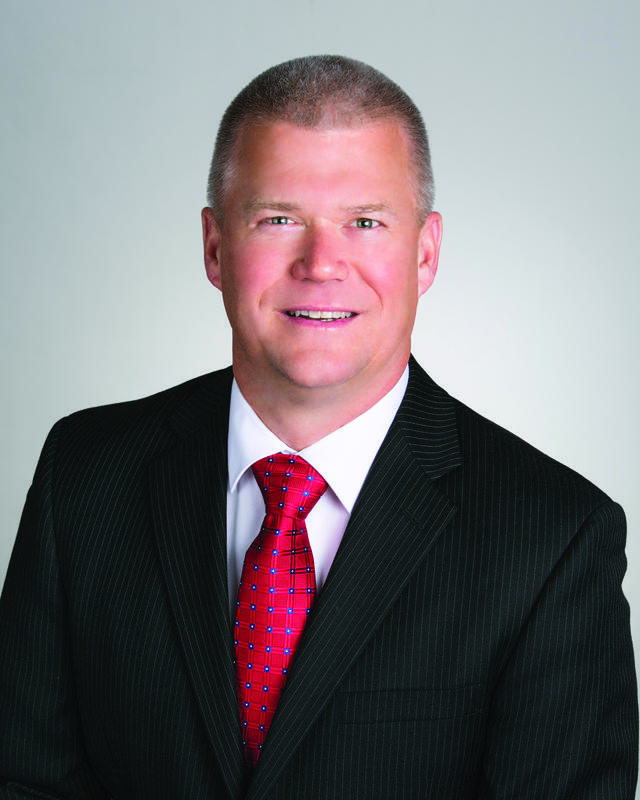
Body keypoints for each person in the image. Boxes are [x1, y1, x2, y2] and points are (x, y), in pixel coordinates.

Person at [0, 55, 637, 800]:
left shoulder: (553, 536)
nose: (321, 264)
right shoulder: (83, 476)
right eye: (278, 219)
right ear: (215, 247)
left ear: (425, 252)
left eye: (365, 222)